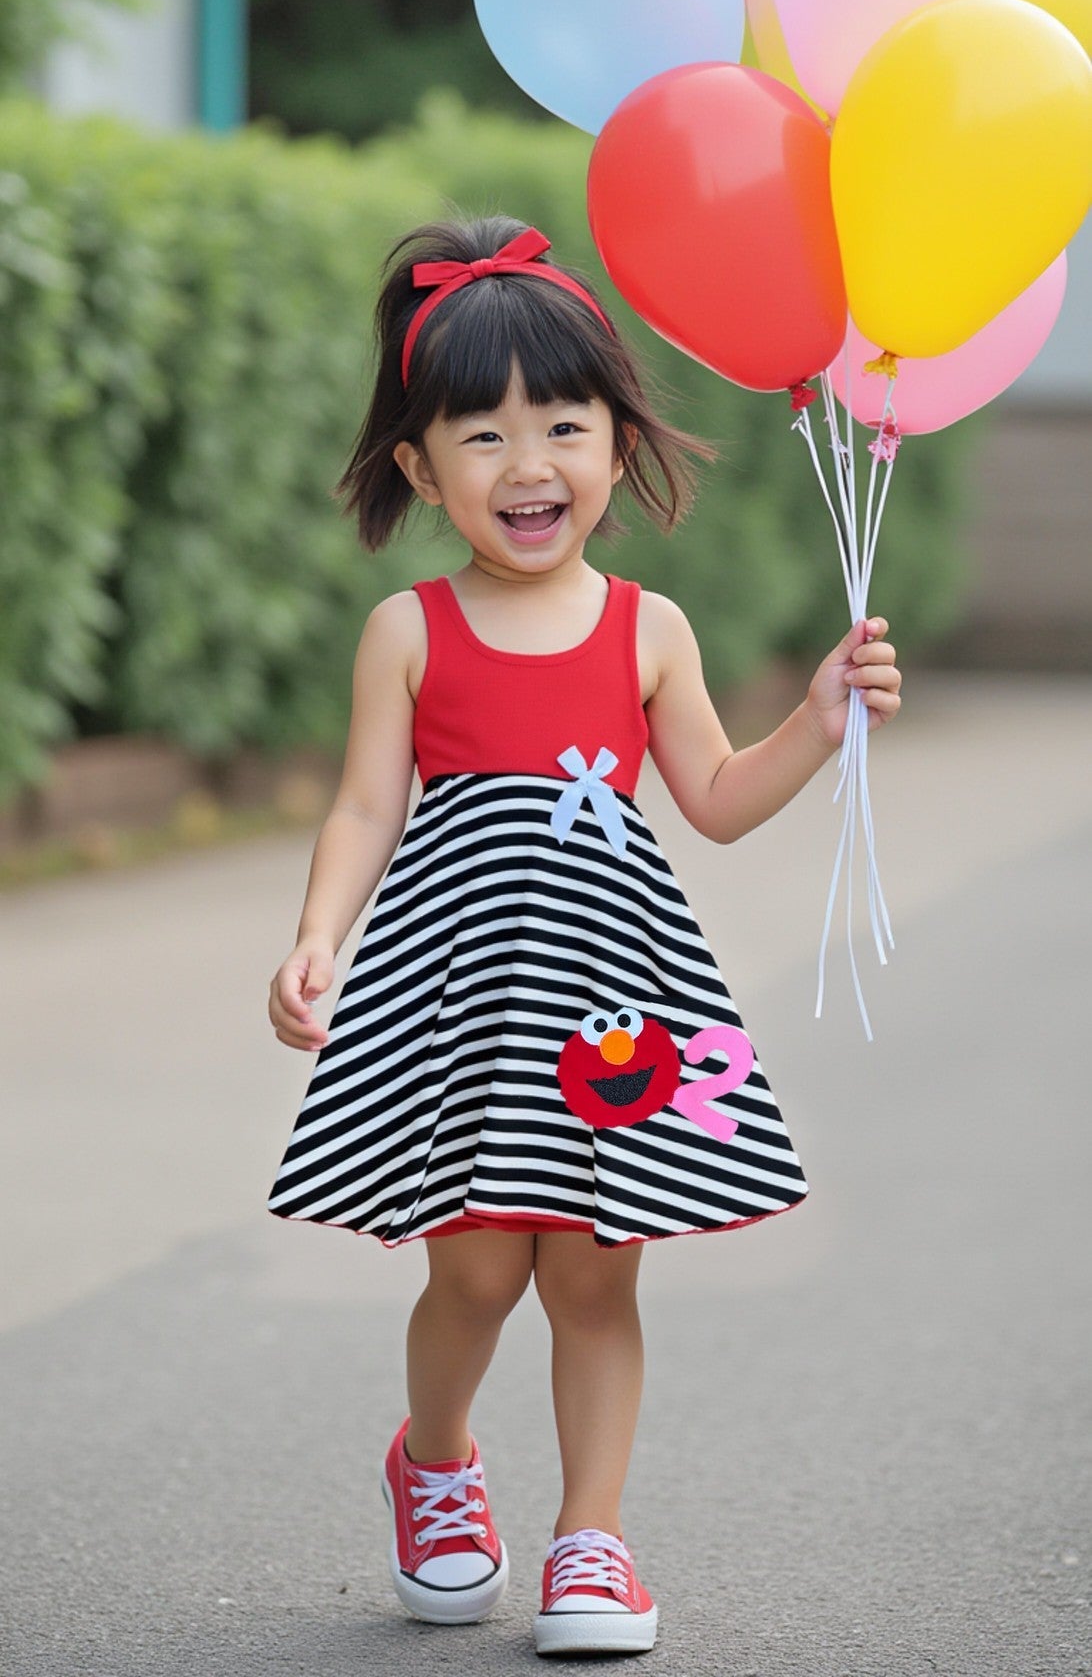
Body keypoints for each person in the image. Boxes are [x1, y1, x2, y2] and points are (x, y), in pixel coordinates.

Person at [266, 216, 901, 1656]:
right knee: (478, 1269)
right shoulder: (410, 630)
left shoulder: (650, 630)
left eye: (563, 423)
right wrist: (317, 932)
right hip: (458, 1005)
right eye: (481, 435)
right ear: (421, 466)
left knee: (597, 1270)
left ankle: (592, 1542)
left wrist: (815, 720)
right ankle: (434, 1463)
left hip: (612, 1003)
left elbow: (721, 802)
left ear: (618, 443)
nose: (529, 462)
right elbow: (368, 804)